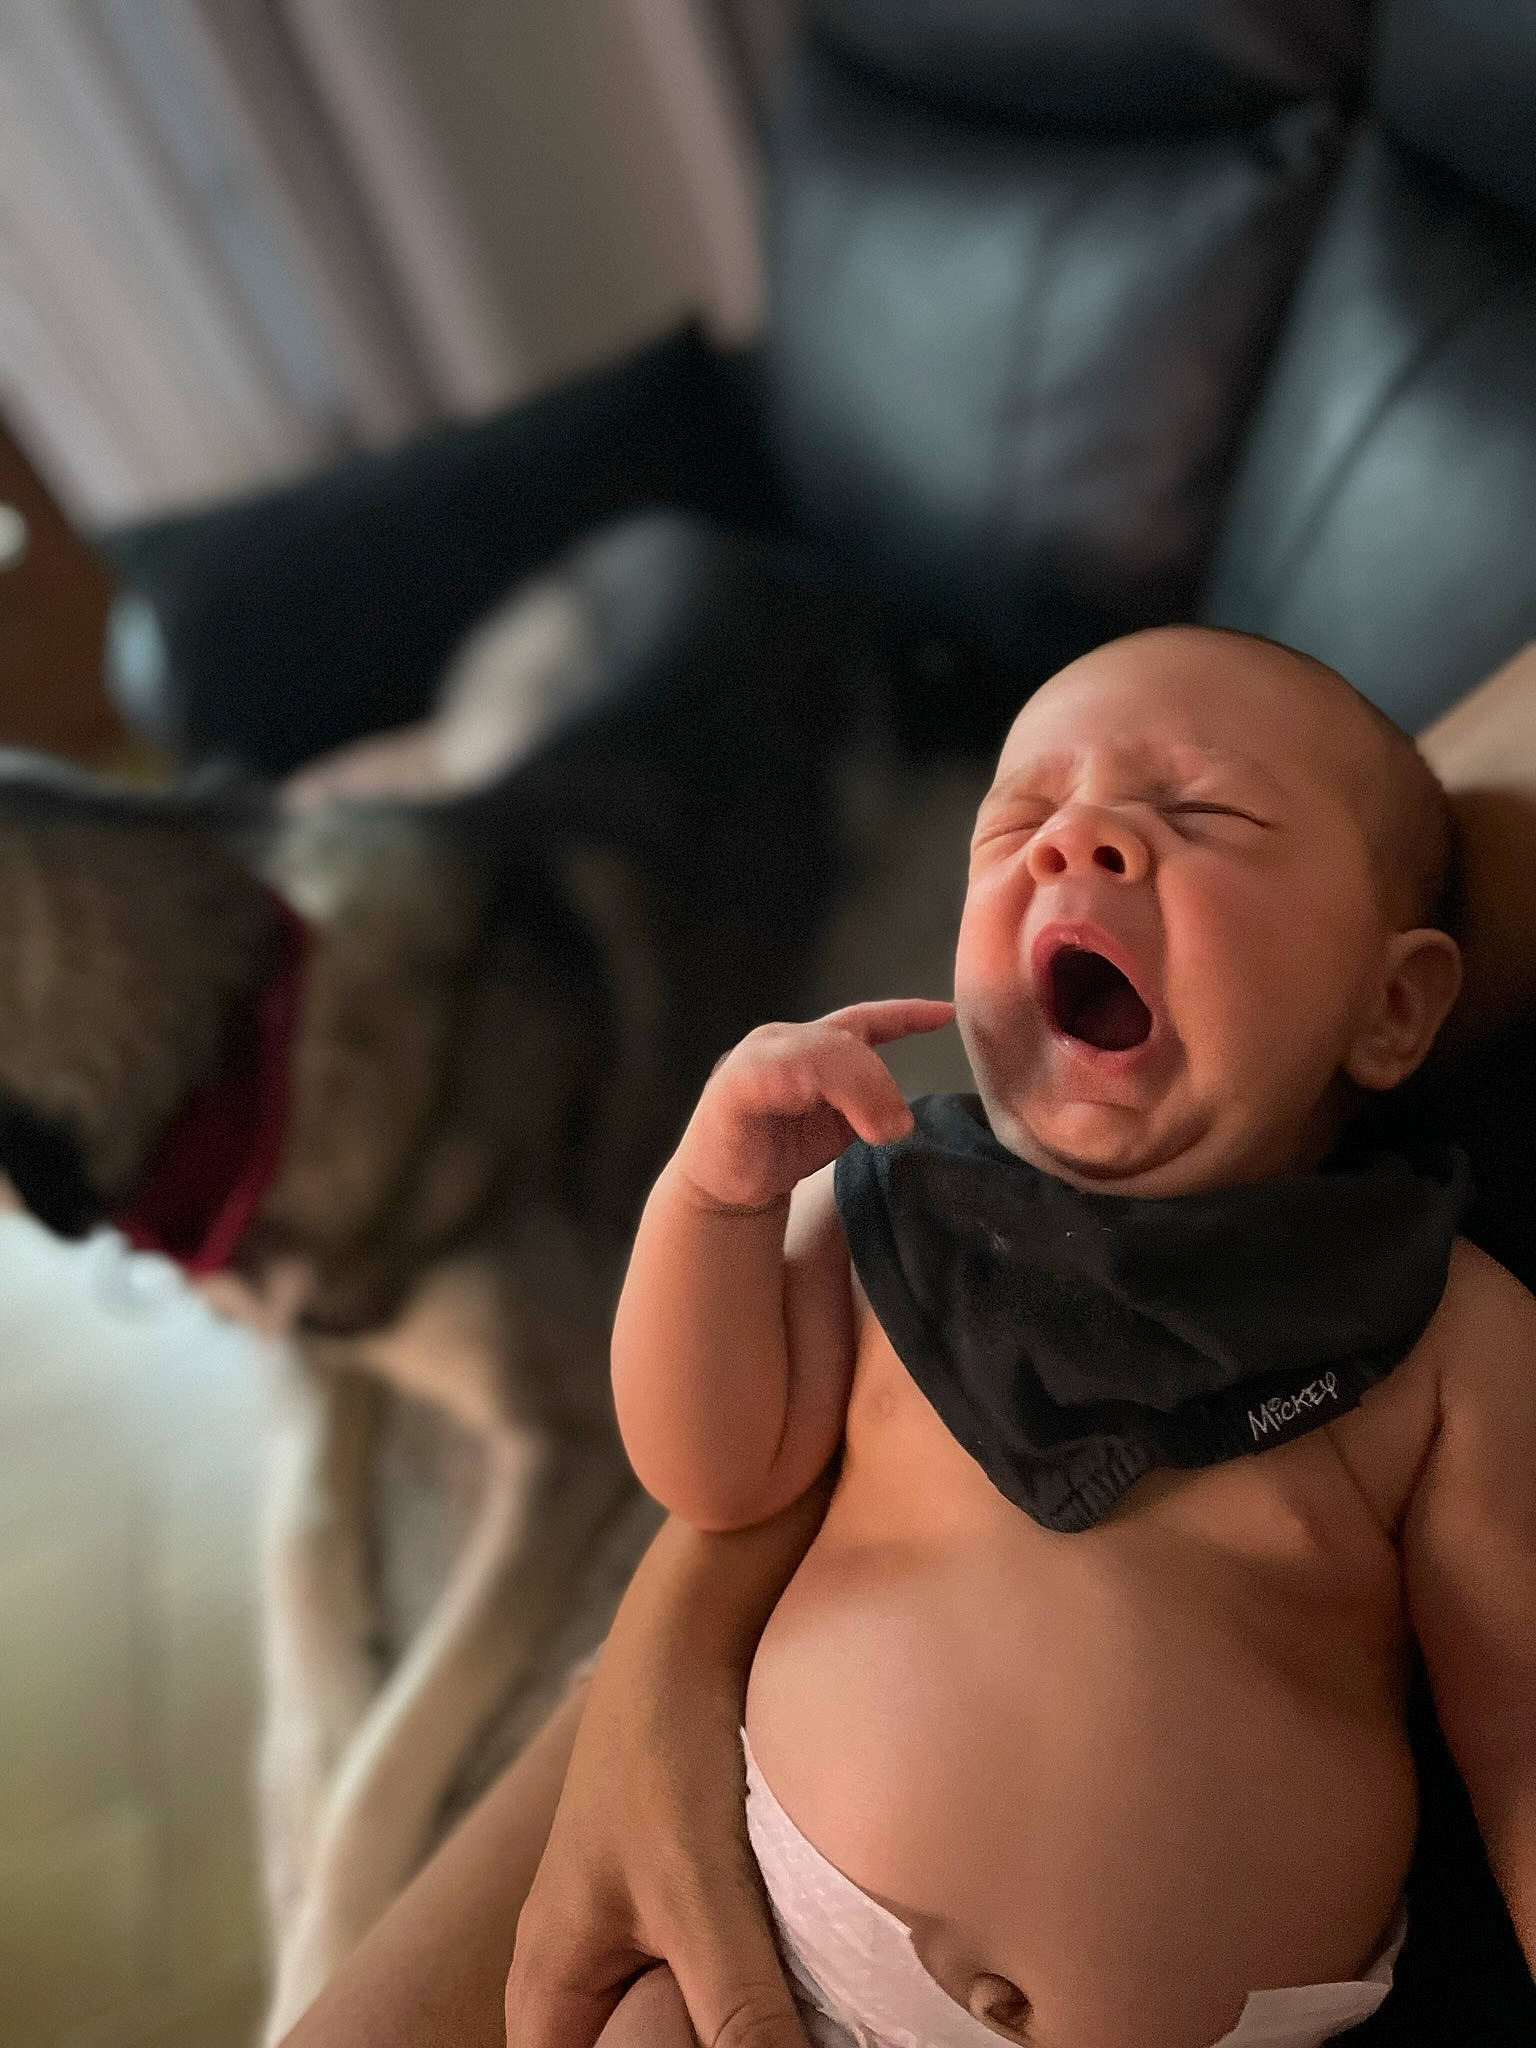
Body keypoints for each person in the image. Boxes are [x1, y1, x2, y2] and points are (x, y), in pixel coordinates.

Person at [280, 628, 1536, 2048]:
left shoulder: (1437, 1329)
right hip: (784, 1953)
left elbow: (1522, 1744)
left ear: (1395, 1004)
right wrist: (715, 1202)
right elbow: (713, 1471)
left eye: (1202, 816)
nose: (1083, 844)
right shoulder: (891, 1217)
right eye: (1022, 821)